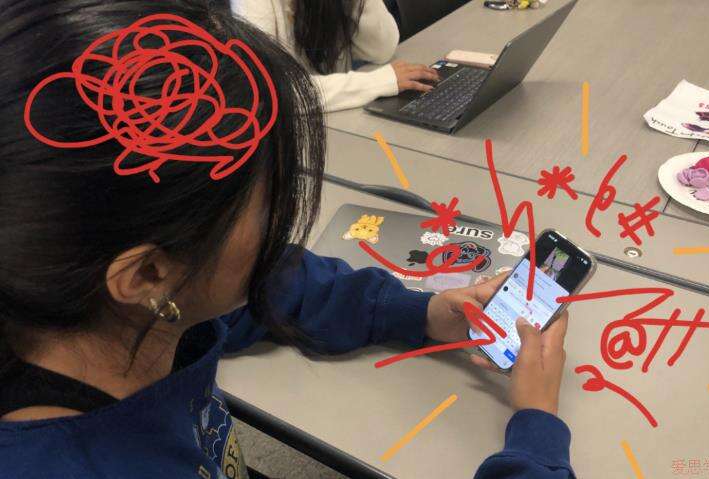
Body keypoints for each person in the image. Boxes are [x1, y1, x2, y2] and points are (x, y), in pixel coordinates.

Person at [0, 1, 574, 478]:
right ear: (147, 275)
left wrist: (419, 312)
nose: (284, 221)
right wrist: (537, 435)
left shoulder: (124, 306)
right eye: (270, 205)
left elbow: (272, 288)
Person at [229, 0, 440, 111]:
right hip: (289, 142)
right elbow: (275, 92)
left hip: (339, 117)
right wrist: (377, 81)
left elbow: (382, 46)